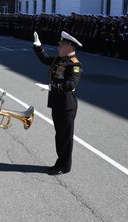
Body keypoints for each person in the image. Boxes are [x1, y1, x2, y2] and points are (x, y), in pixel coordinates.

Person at [33, 30, 82, 175]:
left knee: (65, 138)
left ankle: (64, 166)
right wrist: (38, 46)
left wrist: (51, 87)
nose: (58, 48)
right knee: (59, 136)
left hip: (67, 106)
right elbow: (45, 59)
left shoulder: (74, 64)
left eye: (62, 46)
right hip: (57, 103)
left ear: (70, 48)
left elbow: (71, 84)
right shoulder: (60, 60)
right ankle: (60, 162)